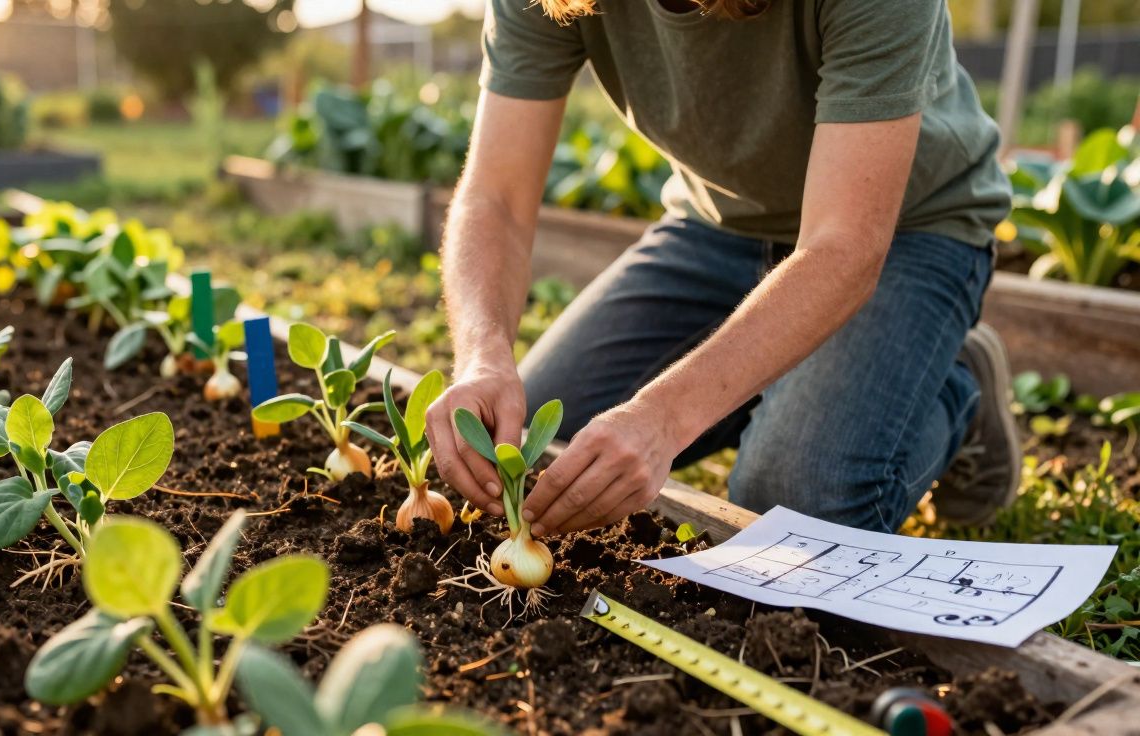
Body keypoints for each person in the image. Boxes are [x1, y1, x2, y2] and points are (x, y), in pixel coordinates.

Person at [422, 0, 1020, 537]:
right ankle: (770, 386)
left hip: (907, 231)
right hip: (716, 229)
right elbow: (495, 195)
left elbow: (844, 244)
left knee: (791, 507)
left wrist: (665, 415)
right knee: (539, 451)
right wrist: (482, 353)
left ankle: (953, 384)